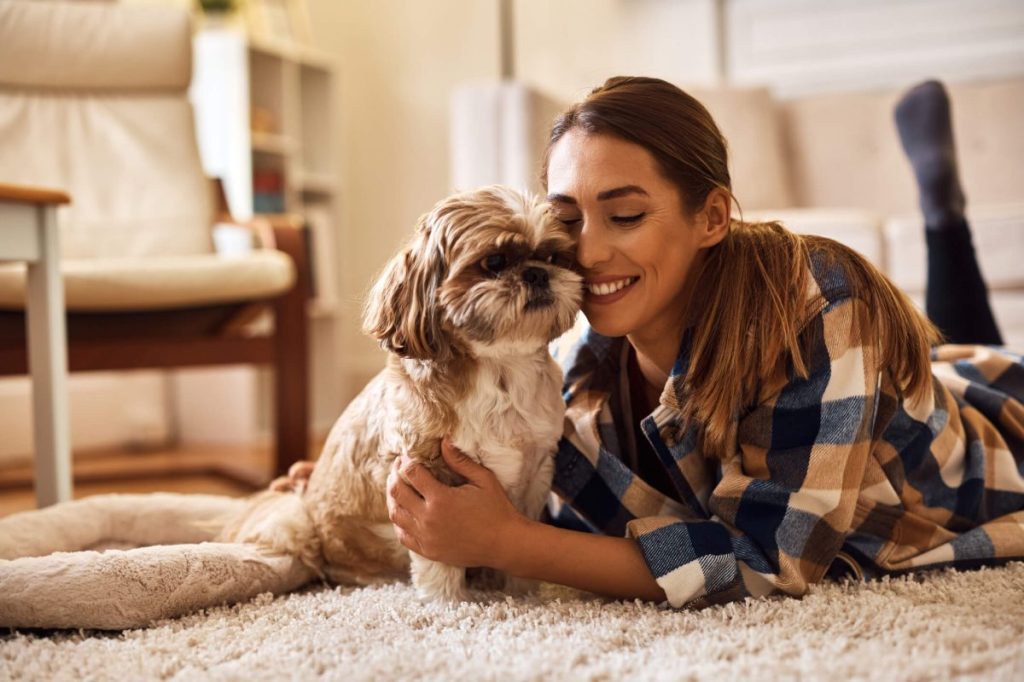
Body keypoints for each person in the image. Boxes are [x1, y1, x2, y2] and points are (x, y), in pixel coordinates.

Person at [385, 77, 1024, 608]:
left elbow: (769, 561)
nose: (587, 251)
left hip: (987, 445)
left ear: (713, 217)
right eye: (567, 220)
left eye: (626, 215)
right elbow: (458, 413)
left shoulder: (819, 304)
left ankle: (945, 222)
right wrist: (335, 474)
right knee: (949, 347)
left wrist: (511, 543)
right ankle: (945, 220)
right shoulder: (576, 367)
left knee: (964, 345)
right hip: (916, 378)